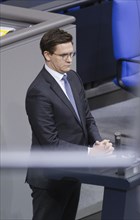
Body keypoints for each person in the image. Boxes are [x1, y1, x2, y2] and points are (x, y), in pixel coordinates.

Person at [25, 28, 113, 220]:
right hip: (50, 179)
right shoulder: (38, 92)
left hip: (73, 171)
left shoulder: (73, 77)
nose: (69, 59)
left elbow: (86, 118)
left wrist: (98, 142)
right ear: (47, 55)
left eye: (71, 54)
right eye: (63, 55)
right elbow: (51, 142)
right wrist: (90, 153)